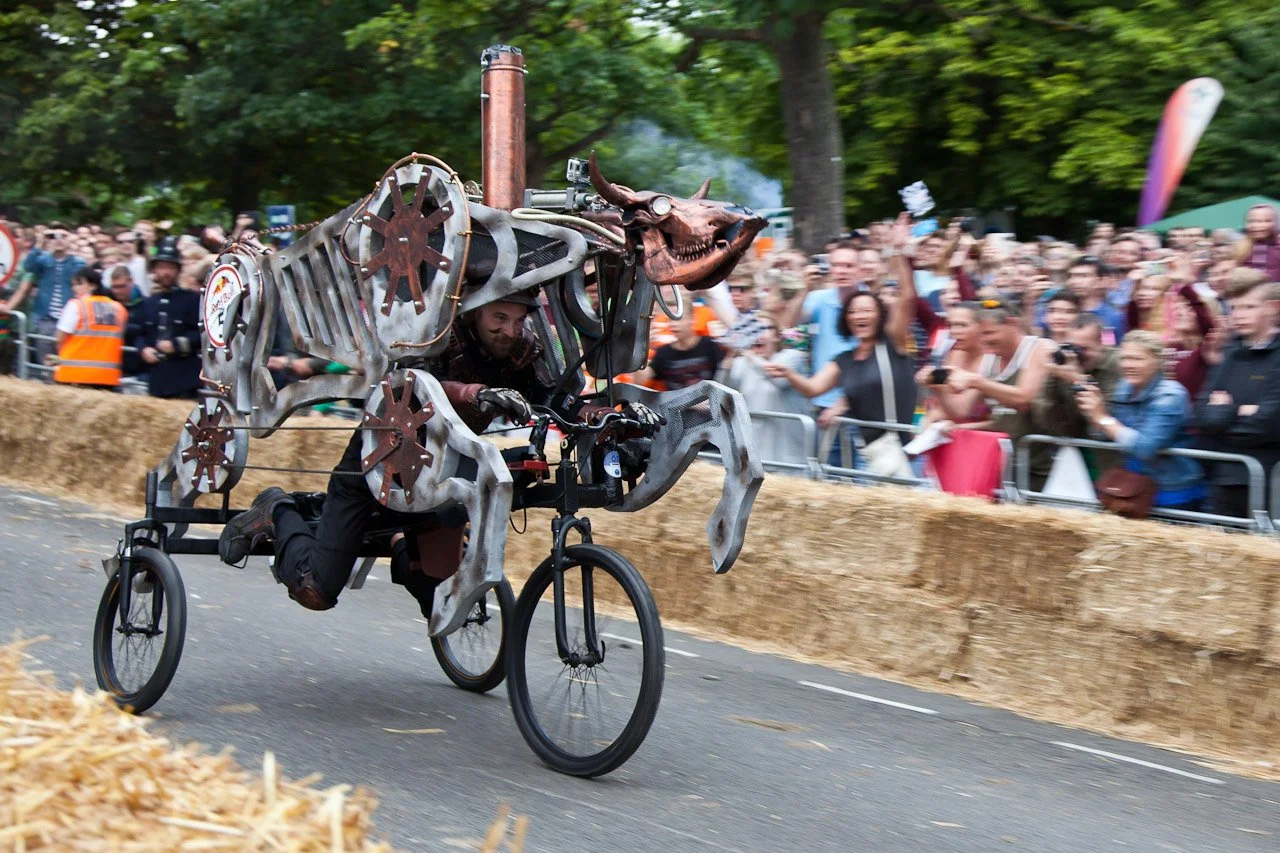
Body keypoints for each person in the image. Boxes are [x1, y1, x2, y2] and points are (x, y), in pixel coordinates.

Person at [217, 289, 659, 613]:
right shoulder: (434, 337)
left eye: (517, 319)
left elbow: (554, 399)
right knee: (316, 590)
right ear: (476, 311)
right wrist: (476, 394)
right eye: (498, 318)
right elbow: (416, 383)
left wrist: (603, 415)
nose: (509, 330)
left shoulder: (521, 348)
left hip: (440, 475)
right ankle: (276, 509)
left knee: (442, 600)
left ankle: (402, 546)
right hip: (380, 468)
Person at [764, 227, 916, 470]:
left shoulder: (887, 337)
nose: (860, 316)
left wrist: (898, 251)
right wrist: (788, 373)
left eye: (866, 311)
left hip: (884, 437)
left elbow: (908, 299)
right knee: (837, 479)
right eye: (853, 313)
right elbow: (811, 385)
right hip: (837, 423)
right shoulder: (843, 356)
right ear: (846, 319)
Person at [1078, 330, 1206, 512]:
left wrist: (1102, 418)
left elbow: (1145, 447)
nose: (1128, 365)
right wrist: (1094, 413)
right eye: (1125, 358)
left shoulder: (1171, 395)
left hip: (1173, 490)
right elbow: (1106, 435)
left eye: (1137, 359)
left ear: (1157, 362)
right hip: (1135, 486)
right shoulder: (1124, 388)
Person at [944, 298, 1055, 488]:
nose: (984, 340)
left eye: (990, 333)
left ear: (1012, 323)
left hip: (1042, 466)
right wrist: (939, 387)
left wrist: (977, 382)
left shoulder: (1039, 349)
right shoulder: (989, 356)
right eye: (980, 334)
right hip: (1005, 464)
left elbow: (1023, 399)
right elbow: (961, 409)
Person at [1194, 277, 1280, 518]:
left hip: (1271, 480)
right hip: (1225, 477)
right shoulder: (1230, 351)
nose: (1239, 315)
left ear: (1272, 308)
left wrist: (1225, 411)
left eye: (1249, 307)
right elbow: (1203, 416)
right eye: (1234, 307)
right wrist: (1242, 410)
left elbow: (1269, 424)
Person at [718, 317, 811, 465]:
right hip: (754, 454)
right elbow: (720, 394)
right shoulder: (741, 363)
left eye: (764, 329)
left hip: (788, 454)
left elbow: (779, 379)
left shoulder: (792, 357)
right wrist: (728, 359)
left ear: (776, 336)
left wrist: (749, 355)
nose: (757, 333)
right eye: (753, 330)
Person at [8, 226, 85, 369]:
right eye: (54, 236)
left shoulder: (77, 262)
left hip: (69, 316)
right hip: (46, 317)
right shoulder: (44, 260)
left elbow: (83, 278)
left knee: (66, 357)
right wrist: (40, 244)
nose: (58, 240)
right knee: (44, 359)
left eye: (63, 236)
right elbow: (28, 266)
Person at [133, 237, 202, 398]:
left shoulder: (192, 300)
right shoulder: (148, 302)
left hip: (184, 379)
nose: (165, 272)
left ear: (178, 270)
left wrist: (176, 345)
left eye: (170, 267)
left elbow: (202, 333)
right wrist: (143, 349)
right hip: (156, 378)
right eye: (161, 267)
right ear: (154, 270)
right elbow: (138, 333)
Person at [52, 267, 127, 390]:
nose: (74, 288)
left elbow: (59, 338)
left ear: (92, 285)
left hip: (73, 374)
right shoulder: (119, 308)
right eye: (73, 285)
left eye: (79, 284)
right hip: (107, 377)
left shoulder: (76, 305)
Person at [637, 309, 725, 390]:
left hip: (708, 399)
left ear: (692, 319)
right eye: (670, 320)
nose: (674, 324)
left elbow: (723, 373)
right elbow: (641, 379)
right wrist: (638, 344)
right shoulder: (664, 352)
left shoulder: (709, 345)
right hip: (675, 401)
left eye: (678, 319)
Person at [1237, 203, 1280, 281]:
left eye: (1266, 220)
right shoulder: (1239, 249)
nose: (1258, 226)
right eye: (1252, 221)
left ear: (1275, 223)